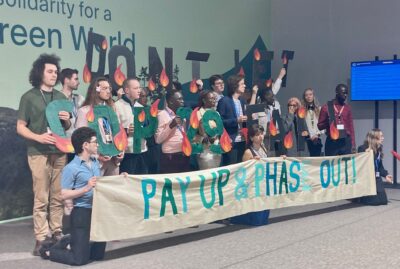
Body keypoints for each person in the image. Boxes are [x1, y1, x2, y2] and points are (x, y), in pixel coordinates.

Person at [16, 54, 71, 255]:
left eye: (56, 71)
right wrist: (39, 138)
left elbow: (66, 125)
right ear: (40, 72)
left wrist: (67, 120)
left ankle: (56, 231)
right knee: (42, 197)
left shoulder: (60, 97)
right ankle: (40, 238)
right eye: (50, 71)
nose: (54, 74)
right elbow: (20, 128)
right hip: (38, 152)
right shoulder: (29, 97)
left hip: (59, 151)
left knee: (58, 196)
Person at [39, 127, 106, 265]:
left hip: (98, 210)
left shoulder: (95, 163)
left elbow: (102, 184)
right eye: (94, 142)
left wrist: (123, 179)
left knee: (98, 255)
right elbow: (63, 194)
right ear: (85, 145)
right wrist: (86, 188)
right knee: (79, 260)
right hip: (82, 211)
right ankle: (49, 251)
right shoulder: (71, 168)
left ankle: (70, 240)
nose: (97, 144)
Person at [75, 77, 124, 176]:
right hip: (95, 163)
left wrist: (120, 152)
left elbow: (119, 133)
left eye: (109, 88)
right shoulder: (84, 111)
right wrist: (97, 156)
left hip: (113, 161)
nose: (108, 91)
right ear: (96, 90)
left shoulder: (113, 110)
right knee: (94, 190)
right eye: (104, 88)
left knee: (113, 191)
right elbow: (80, 140)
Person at [115, 78, 148, 174]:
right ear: (126, 90)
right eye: (136, 88)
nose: (139, 90)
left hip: (142, 150)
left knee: (142, 183)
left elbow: (146, 126)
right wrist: (127, 131)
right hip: (127, 152)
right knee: (128, 184)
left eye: (139, 88)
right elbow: (114, 130)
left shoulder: (140, 107)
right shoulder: (117, 106)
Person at [155, 90, 191, 173]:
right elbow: (158, 140)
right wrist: (171, 126)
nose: (183, 101)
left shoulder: (182, 114)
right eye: (179, 99)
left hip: (184, 153)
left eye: (182, 99)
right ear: (171, 101)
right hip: (170, 157)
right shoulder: (162, 115)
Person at [217, 74, 247, 165]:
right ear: (235, 86)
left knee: (241, 166)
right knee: (231, 166)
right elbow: (220, 122)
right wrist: (236, 120)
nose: (244, 86)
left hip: (242, 139)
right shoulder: (224, 101)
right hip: (230, 140)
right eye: (242, 84)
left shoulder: (242, 101)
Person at [357, 129, 393, 205]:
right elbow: (360, 166)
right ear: (374, 138)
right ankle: (361, 197)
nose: (383, 138)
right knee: (375, 202)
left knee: (383, 201)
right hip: (367, 178)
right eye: (381, 136)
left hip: (376, 177)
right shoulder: (363, 148)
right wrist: (365, 155)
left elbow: (380, 167)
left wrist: (386, 175)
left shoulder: (378, 148)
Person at [318, 84, 355, 156]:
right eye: (343, 93)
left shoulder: (347, 108)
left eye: (346, 93)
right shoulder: (327, 107)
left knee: (345, 165)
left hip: (345, 141)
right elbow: (320, 126)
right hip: (332, 141)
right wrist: (327, 122)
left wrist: (353, 145)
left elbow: (351, 128)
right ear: (337, 92)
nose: (345, 95)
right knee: (331, 166)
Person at [195, 90, 222, 170]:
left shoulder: (216, 113)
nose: (214, 100)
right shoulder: (198, 113)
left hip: (216, 149)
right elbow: (195, 132)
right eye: (211, 98)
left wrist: (217, 135)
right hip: (205, 151)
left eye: (214, 98)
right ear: (204, 100)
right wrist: (206, 136)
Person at [138, 87, 160, 174]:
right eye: (142, 96)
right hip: (141, 147)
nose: (145, 98)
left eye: (146, 96)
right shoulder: (133, 110)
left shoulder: (151, 109)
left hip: (152, 146)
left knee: (154, 172)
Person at [59, 68, 84, 137]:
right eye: (76, 79)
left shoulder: (80, 98)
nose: (78, 82)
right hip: (64, 140)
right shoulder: (56, 99)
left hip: (79, 140)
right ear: (66, 80)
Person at [301, 88, 324, 156]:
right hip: (306, 139)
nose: (308, 96)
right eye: (306, 95)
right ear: (304, 97)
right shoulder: (301, 110)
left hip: (317, 139)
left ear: (313, 96)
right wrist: (308, 135)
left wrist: (317, 134)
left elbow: (322, 124)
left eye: (310, 94)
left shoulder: (319, 109)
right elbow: (301, 125)